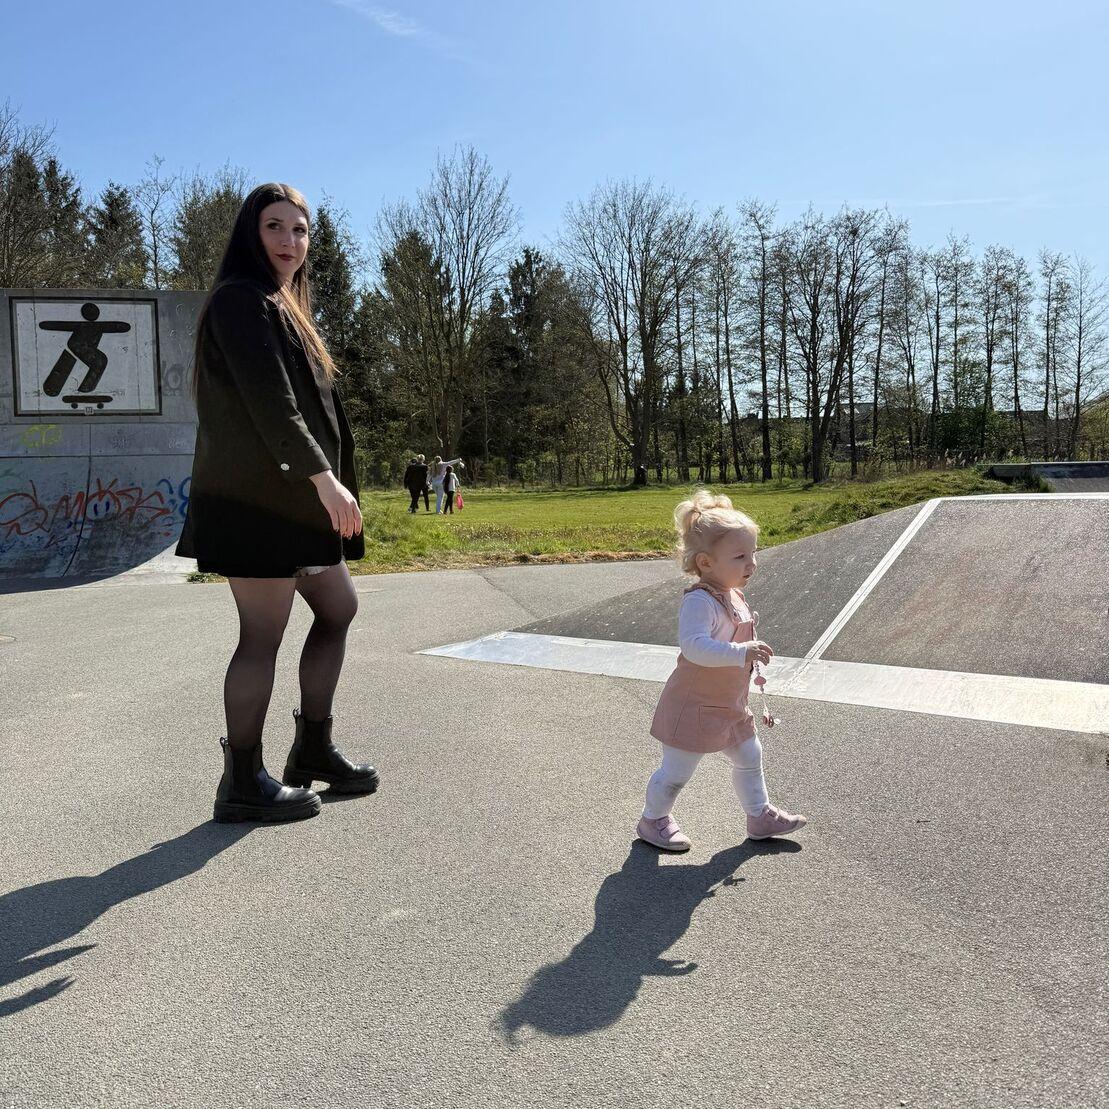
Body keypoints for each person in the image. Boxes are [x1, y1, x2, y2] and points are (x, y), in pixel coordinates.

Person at [175, 182, 379, 824]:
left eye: (300, 230)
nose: (290, 241)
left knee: (338, 607)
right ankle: (241, 779)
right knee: (261, 636)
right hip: (256, 503)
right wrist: (324, 479)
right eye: (275, 227)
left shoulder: (281, 304)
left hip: (295, 504)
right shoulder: (240, 301)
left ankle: (312, 750)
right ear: (249, 233)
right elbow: (272, 405)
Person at [637, 490, 806, 851]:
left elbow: (733, 639)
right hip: (694, 705)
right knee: (677, 771)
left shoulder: (733, 594)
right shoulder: (700, 601)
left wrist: (747, 652)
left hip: (729, 703)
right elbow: (694, 647)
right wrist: (741, 651)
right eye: (740, 556)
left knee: (749, 754)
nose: (752, 563)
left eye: (754, 553)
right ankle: (653, 819)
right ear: (706, 563)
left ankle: (759, 815)